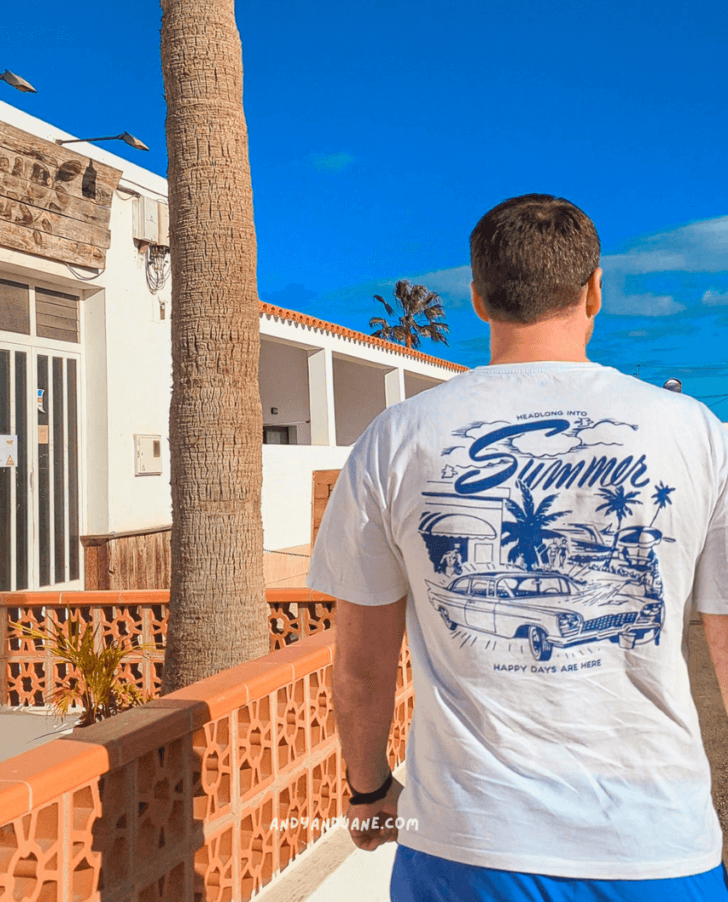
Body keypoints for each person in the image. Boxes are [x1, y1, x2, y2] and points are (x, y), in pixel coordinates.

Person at [307, 193, 728, 902]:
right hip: (656, 844)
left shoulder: (397, 436)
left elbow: (360, 666)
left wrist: (368, 786)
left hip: (464, 842)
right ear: (595, 290)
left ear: (477, 297)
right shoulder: (698, 432)